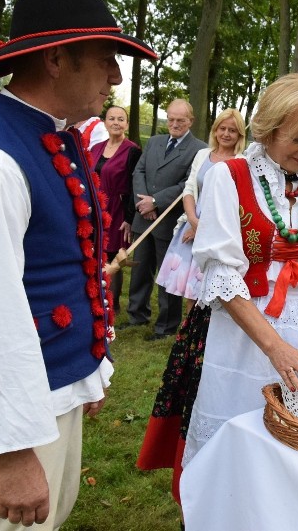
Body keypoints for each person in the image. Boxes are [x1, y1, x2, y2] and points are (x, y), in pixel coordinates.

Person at [0, 0, 157, 529]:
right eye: (104, 59)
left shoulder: (50, 135)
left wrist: (87, 367)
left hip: (53, 384)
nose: (116, 77)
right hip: (18, 411)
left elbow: (72, 267)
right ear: (55, 59)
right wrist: (12, 453)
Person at [182, 73, 298, 467]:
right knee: (235, 439)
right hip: (243, 336)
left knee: (293, 446)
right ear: (269, 130)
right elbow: (222, 275)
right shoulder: (229, 176)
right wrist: (275, 348)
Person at [137, 108, 246, 504]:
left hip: (220, 235)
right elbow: (189, 189)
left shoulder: (242, 162)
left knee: (205, 289)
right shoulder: (203, 157)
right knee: (183, 286)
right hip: (193, 227)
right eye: (223, 128)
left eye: (235, 130)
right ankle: (180, 328)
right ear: (216, 130)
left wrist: (211, 230)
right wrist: (194, 223)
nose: (228, 133)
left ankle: (194, 330)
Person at [127, 99, 207, 338]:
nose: (174, 124)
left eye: (180, 120)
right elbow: (139, 171)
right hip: (143, 216)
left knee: (168, 274)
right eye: (171, 119)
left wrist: (157, 201)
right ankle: (137, 315)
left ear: (190, 121)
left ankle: (166, 325)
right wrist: (144, 203)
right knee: (140, 270)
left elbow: (188, 185)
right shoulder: (154, 142)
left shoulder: (199, 150)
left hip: (169, 220)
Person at [89, 105, 141, 311]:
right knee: (94, 251)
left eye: (121, 119)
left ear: (126, 124)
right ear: (105, 122)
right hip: (95, 207)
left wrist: (129, 218)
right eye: (112, 119)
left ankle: (112, 303)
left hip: (118, 209)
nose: (116, 123)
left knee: (114, 255)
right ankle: (93, 296)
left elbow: (134, 186)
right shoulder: (96, 148)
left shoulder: (133, 151)